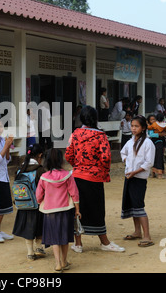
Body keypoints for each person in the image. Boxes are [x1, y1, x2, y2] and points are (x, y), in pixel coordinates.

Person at [65, 105, 125, 253]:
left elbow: (68, 155)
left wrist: (78, 166)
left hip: (77, 176)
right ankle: (104, 241)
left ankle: (78, 244)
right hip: (95, 177)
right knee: (97, 209)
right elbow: (106, 157)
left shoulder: (75, 134)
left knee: (77, 209)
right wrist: (101, 170)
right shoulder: (101, 136)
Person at [36, 148, 80, 273]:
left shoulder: (44, 177)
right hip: (66, 209)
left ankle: (57, 264)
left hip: (49, 211)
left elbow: (39, 195)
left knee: (55, 237)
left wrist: (40, 202)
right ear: (61, 160)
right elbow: (74, 193)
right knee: (64, 237)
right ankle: (64, 261)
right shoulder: (67, 175)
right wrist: (77, 209)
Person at [120, 115, 155, 247]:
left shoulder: (148, 143)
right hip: (129, 177)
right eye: (132, 126)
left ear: (143, 128)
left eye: (136, 126)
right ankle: (137, 231)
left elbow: (149, 162)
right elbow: (123, 153)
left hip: (139, 179)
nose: (133, 128)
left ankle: (147, 236)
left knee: (139, 206)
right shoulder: (130, 142)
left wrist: (135, 171)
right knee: (133, 205)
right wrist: (126, 162)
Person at [12, 144, 46, 260]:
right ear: (40, 155)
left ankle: (30, 252)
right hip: (37, 204)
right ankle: (39, 247)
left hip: (23, 204)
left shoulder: (20, 169)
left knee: (28, 228)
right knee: (40, 226)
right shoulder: (39, 169)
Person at [148, 113, 166, 179]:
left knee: (155, 157)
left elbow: (150, 132)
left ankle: (153, 173)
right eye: (151, 120)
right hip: (159, 142)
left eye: (153, 119)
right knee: (159, 157)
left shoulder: (153, 125)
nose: (153, 121)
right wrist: (161, 134)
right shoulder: (165, 125)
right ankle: (160, 174)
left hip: (155, 142)